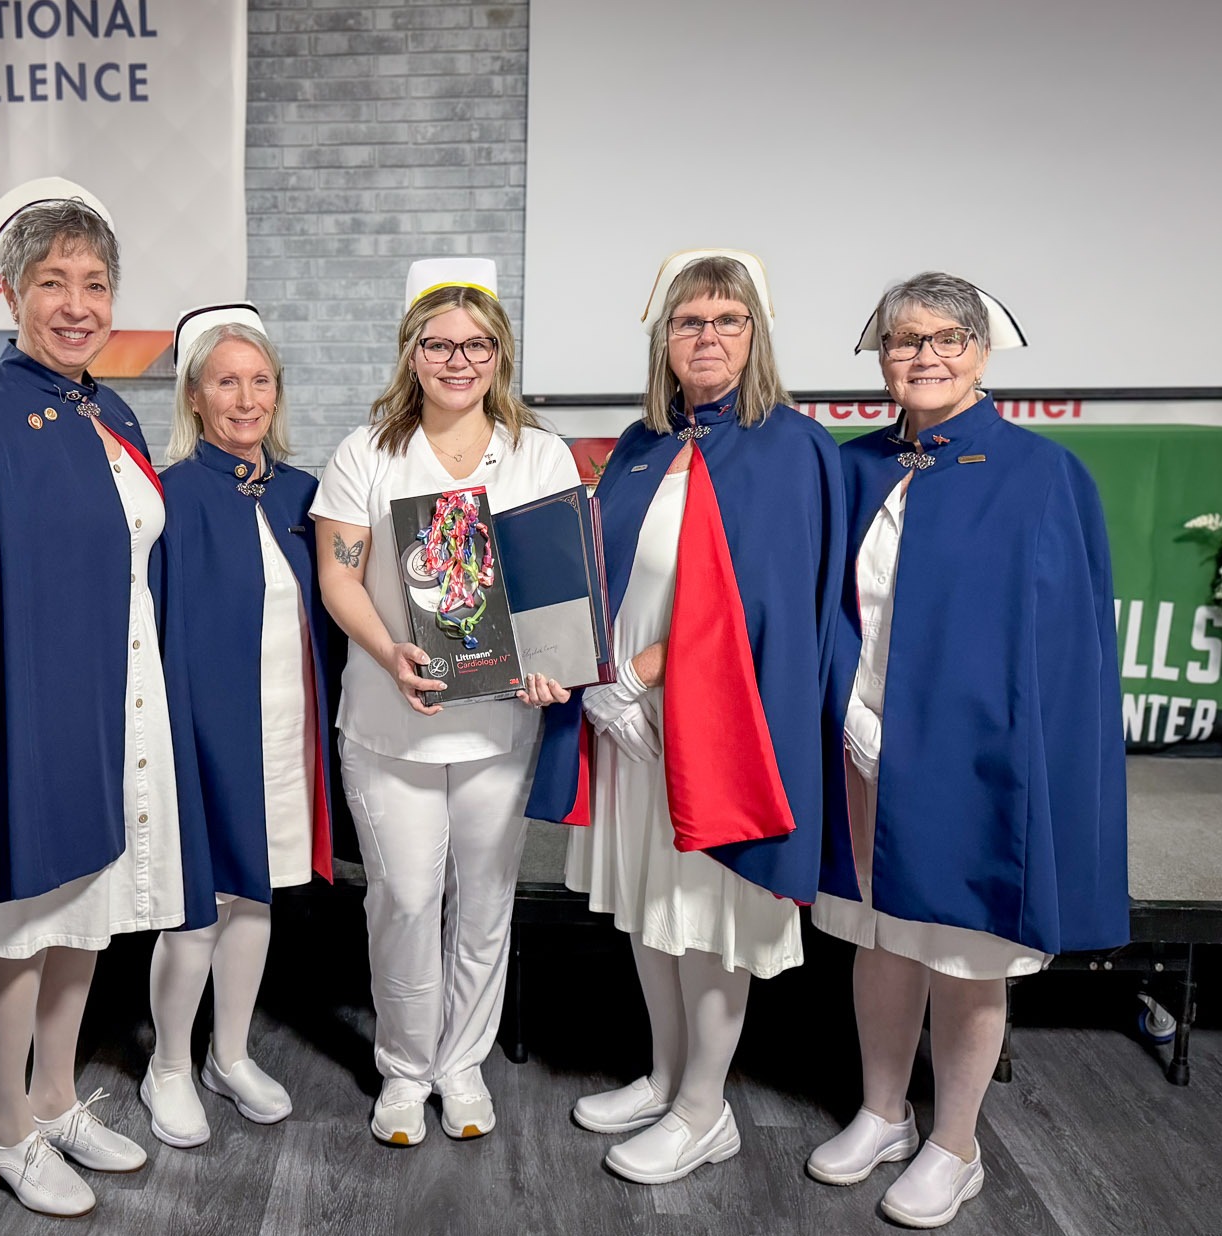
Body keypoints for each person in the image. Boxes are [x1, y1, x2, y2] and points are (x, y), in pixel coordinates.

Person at [808, 272, 1128, 1228]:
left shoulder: (1041, 473)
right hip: (861, 739)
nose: (925, 357)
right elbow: (829, 610)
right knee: (877, 931)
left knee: (963, 947)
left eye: (947, 339)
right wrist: (849, 710)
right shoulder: (856, 465)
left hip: (973, 756)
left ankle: (956, 1144)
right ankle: (882, 1111)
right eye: (905, 341)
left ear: (984, 354)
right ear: (880, 356)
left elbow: (1061, 649)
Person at [0, 178, 210, 1216]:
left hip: (119, 695)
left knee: (90, 913)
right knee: (26, 922)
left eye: (95, 282)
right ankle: (6, 1127)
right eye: (53, 282)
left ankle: (54, 1096)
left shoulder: (111, 406)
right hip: (29, 713)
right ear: (11, 293)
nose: (77, 303)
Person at [530, 251, 845, 1185]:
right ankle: (666, 1076)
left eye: (727, 320)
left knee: (711, 911)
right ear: (664, 340)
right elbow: (598, 572)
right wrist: (589, 678)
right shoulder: (639, 444)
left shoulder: (791, 447)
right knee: (649, 903)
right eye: (688, 321)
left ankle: (706, 1109)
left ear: (756, 336)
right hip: (627, 720)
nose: (707, 337)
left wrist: (643, 674)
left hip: (716, 725)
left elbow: (765, 602)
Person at [311, 258, 581, 1146]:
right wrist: (390, 651)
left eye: (476, 344)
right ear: (411, 352)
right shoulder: (367, 453)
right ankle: (403, 1070)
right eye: (439, 344)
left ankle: (461, 1065)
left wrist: (555, 662)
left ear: (499, 354)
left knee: (486, 900)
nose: (458, 359)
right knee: (403, 897)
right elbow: (338, 577)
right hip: (394, 721)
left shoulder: (539, 454)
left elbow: (555, 585)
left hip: (501, 722)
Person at [142, 304, 335, 1148]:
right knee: (195, 912)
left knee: (255, 897)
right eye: (227, 381)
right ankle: (169, 1067)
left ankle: (228, 1053)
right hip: (202, 735)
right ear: (194, 396)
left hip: (286, 729)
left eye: (260, 381)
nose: (246, 398)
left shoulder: (304, 493)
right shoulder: (168, 498)